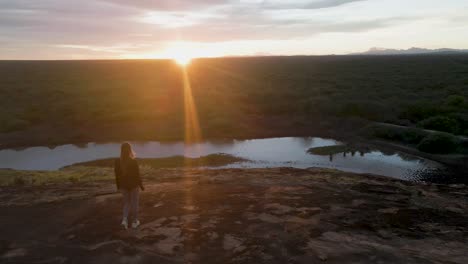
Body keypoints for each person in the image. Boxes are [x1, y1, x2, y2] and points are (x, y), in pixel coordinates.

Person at [114, 142, 144, 229]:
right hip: (134, 185)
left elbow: (117, 175)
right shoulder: (133, 161)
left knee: (126, 203)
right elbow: (137, 175)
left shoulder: (117, 162)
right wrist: (141, 186)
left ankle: (124, 220)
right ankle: (135, 222)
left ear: (121, 150)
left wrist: (118, 186)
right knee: (134, 203)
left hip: (123, 186)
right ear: (130, 150)